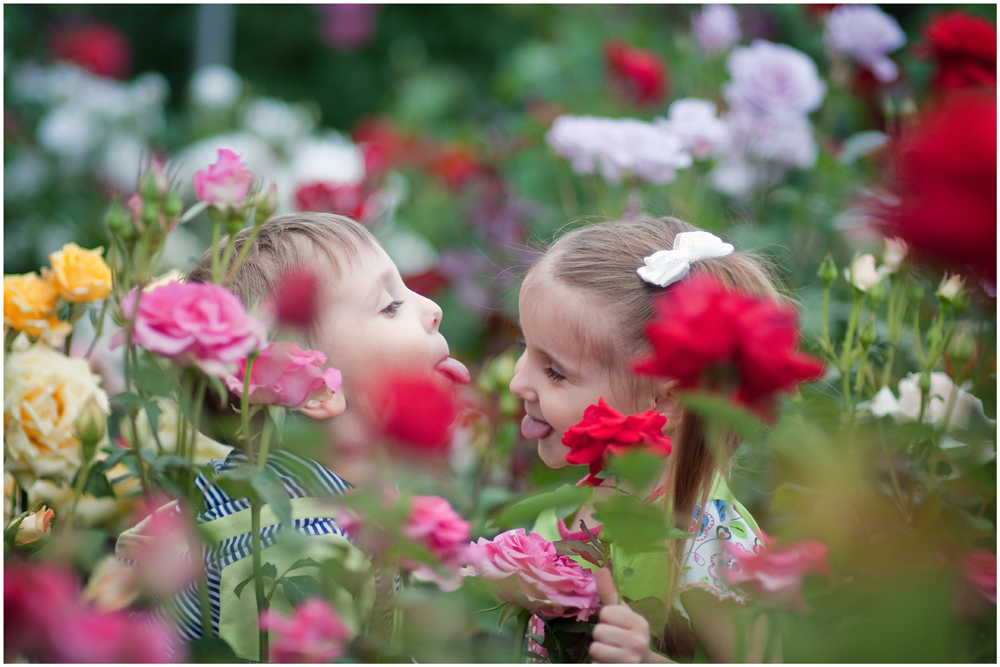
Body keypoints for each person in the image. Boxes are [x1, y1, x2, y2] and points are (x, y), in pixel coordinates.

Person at [116, 212, 470, 660]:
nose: (432, 309)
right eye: (390, 305)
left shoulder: (338, 500)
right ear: (316, 387)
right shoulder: (294, 553)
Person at [509, 216, 780, 663]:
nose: (519, 381)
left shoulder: (712, 545)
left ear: (667, 401)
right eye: (525, 347)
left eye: (554, 370)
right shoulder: (562, 512)